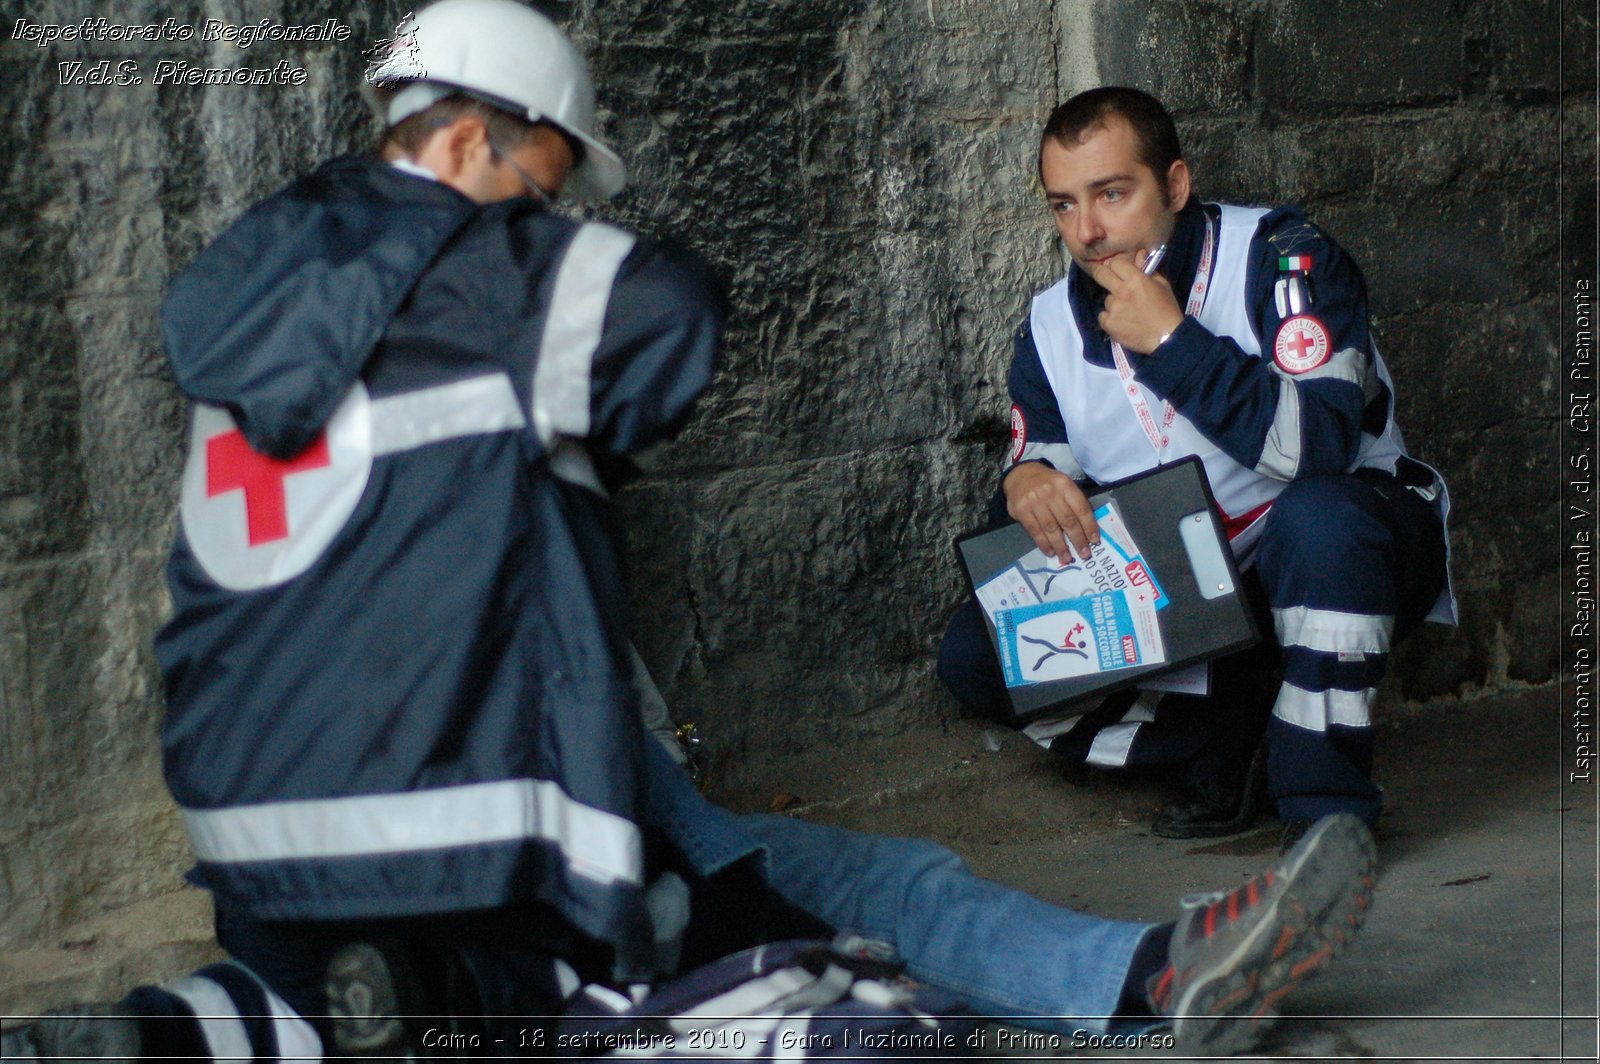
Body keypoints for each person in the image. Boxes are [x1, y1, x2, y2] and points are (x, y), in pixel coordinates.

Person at [2, 13, 1379, 1061]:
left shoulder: (256, 310)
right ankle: (1138, 974)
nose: (553, 214)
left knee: (357, 995)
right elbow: (670, 321)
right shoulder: (481, 280)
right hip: (486, 808)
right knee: (839, 908)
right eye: (544, 180)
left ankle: (188, 1031)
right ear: (474, 143)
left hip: (256, 836)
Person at [937, 87, 1454, 847]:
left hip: (1340, 545)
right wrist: (1026, 480)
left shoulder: (1283, 259)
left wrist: (1175, 342)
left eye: (1112, 194)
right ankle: (1233, 738)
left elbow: (1322, 446)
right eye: (1063, 205)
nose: (1087, 231)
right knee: (982, 658)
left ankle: (1325, 808)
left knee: (1322, 521)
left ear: (1174, 186)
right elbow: (1041, 447)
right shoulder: (1051, 322)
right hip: (1193, 585)